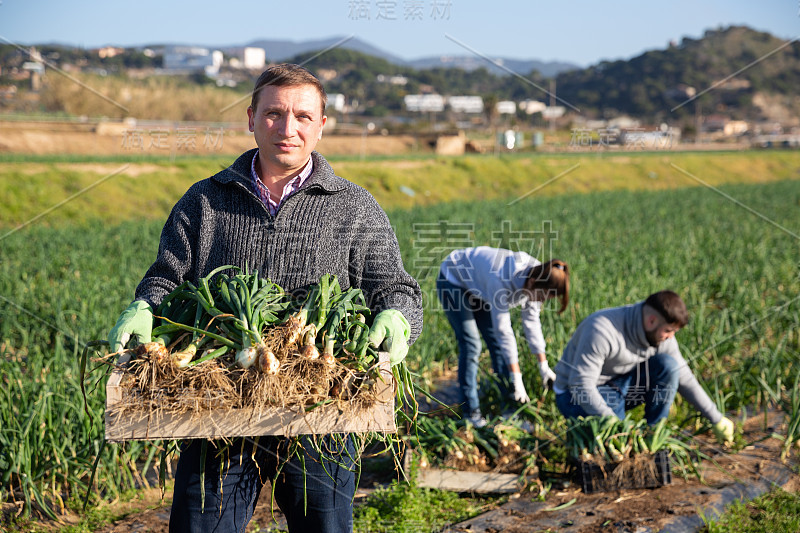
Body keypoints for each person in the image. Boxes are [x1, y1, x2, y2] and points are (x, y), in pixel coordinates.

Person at [107, 63, 423, 533]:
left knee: (325, 527)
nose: (287, 128)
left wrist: (398, 316)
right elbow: (166, 280)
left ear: (321, 125)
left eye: (302, 115)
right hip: (215, 398)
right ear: (251, 118)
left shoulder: (354, 206)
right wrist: (146, 306)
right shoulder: (205, 201)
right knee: (200, 527)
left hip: (320, 402)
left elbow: (396, 287)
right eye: (274, 113)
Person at [553, 290, 736, 444]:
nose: (670, 337)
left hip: (617, 386)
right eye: (668, 331)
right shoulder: (602, 330)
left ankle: (653, 436)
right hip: (573, 395)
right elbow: (580, 385)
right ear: (651, 321)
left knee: (668, 366)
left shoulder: (661, 336)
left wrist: (716, 418)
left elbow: (684, 377)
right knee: (617, 437)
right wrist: (613, 423)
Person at [436, 246, 570, 427]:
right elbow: (504, 331)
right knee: (472, 344)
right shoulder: (501, 279)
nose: (541, 301)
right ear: (531, 283)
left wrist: (543, 365)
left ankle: (509, 412)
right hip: (454, 279)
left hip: (479, 285)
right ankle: (471, 414)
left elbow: (532, 323)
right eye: (541, 297)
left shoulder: (542, 275)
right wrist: (517, 377)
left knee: (496, 346)